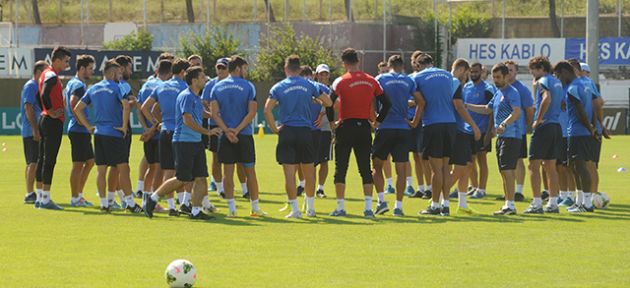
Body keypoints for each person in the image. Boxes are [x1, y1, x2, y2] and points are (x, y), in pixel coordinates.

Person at [144, 66, 222, 220]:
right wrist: (207, 132)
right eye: (201, 77)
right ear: (194, 81)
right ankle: (152, 199)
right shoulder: (186, 96)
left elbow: (200, 113)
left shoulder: (195, 97)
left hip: (196, 142)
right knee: (182, 178)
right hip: (184, 142)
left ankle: (196, 211)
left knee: (200, 177)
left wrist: (216, 115)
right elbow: (187, 120)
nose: (204, 79)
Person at [265, 55, 332, 218]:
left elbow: (267, 109)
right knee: (309, 172)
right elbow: (329, 102)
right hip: (305, 131)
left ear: (286, 69)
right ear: (300, 69)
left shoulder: (279, 87)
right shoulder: (310, 85)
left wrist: (274, 129)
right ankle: (310, 208)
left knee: (289, 173)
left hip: (287, 130)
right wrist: (315, 100)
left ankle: (295, 210)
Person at [328, 48, 391, 218]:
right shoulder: (371, 80)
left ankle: (341, 208)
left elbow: (329, 102)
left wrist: (331, 123)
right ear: (358, 61)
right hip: (364, 127)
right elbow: (386, 103)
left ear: (344, 63)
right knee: (365, 168)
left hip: (345, 126)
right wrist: (378, 122)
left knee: (341, 168)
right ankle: (368, 208)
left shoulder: (340, 81)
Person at [73, 60, 142, 213]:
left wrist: (89, 126)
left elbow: (77, 108)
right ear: (111, 73)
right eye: (118, 73)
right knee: (123, 168)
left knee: (101, 170)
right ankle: (130, 203)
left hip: (99, 134)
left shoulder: (93, 88)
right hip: (114, 133)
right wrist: (124, 126)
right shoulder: (117, 87)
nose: (120, 76)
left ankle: (104, 203)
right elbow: (125, 106)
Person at [210, 56, 265, 217]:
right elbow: (252, 112)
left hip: (225, 135)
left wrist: (227, 131)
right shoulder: (248, 86)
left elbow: (214, 114)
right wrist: (238, 130)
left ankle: (232, 209)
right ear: (238, 69)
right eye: (245, 68)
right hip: (244, 135)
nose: (246, 72)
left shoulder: (217, 87)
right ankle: (255, 208)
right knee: (250, 172)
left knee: (228, 172)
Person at [467, 63, 522, 215]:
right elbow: (487, 109)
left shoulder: (512, 92)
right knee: (503, 171)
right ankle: (507, 204)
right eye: (494, 77)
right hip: (501, 137)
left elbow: (517, 112)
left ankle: (511, 205)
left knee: (508, 170)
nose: (496, 80)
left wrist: (504, 123)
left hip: (511, 136)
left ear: (506, 76)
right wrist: (466, 106)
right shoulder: (498, 93)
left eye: (498, 77)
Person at [372, 55, 423, 217]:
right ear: (402, 66)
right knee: (401, 169)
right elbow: (421, 102)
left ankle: (381, 201)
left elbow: (369, 99)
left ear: (389, 65)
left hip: (385, 127)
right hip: (403, 128)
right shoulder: (408, 81)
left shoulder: (380, 78)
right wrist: (414, 121)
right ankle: (398, 206)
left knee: (377, 166)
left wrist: (374, 119)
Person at [141, 58, 191, 214]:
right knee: (184, 171)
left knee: (167, 170)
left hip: (164, 132)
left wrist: (156, 123)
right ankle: (185, 203)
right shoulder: (186, 87)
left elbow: (145, 107)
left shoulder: (161, 86)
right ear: (184, 72)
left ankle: (171, 206)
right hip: (180, 133)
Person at [413, 53, 457, 216]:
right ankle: (446, 204)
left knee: (435, 169)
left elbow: (420, 101)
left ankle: (435, 204)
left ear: (418, 65)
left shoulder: (417, 77)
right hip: (450, 123)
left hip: (432, 124)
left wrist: (414, 118)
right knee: (446, 167)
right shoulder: (447, 75)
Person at [553, 61, 597, 213]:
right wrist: (593, 125)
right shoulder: (583, 84)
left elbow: (580, 111)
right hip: (580, 131)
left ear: (565, 72)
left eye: (558, 75)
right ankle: (580, 201)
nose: (558, 79)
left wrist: (589, 127)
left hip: (578, 132)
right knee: (573, 165)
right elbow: (592, 107)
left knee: (580, 166)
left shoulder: (572, 88)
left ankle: (587, 204)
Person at [524, 56, 563, 214]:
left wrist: (537, 119)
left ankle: (536, 203)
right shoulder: (557, 81)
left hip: (544, 126)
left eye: (533, 69)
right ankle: (553, 203)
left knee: (533, 165)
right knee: (550, 167)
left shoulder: (543, 81)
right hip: (555, 126)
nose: (531, 73)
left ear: (541, 68)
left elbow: (546, 98)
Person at [36, 46, 71, 210]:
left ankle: (40, 197)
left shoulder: (45, 73)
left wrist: (44, 110)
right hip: (51, 121)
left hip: (45, 120)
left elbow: (38, 96)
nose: (67, 64)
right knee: (49, 160)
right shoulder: (51, 75)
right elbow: (43, 94)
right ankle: (45, 199)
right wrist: (50, 110)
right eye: (65, 61)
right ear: (56, 60)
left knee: (43, 158)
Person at [137, 59, 173, 214]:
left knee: (151, 168)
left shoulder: (146, 84)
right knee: (158, 169)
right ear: (171, 73)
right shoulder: (163, 86)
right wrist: (155, 126)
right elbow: (158, 111)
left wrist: (146, 128)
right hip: (157, 134)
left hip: (148, 134)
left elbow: (140, 109)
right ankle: (153, 201)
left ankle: (145, 198)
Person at [447, 58, 481, 214]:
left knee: (467, 166)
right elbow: (459, 107)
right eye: (466, 73)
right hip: (457, 130)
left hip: (458, 129)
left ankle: (462, 204)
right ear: (461, 69)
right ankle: (439, 196)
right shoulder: (454, 82)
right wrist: (474, 126)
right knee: (461, 167)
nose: (467, 77)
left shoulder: (447, 81)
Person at [64, 54, 96, 207]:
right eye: (90, 68)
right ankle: (75, 197)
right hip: (78, 130)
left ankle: (79, 195)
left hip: (79, 129)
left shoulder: (72, 83)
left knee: (90, 162)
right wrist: (81, 121)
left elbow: (67, 101)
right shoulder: (79, 85)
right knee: (78, 164)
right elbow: (72, 103)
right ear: (82, 68)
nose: (92, 72)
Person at [462, 62, 495, 199]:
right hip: (468, 129)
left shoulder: (487, 88)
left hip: (482, 129)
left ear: (481, 72)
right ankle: (474, 186)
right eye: (472, 72)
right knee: (469, 160)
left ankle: (482, 189)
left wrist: (490, 130)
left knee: (482, 160)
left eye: (476, 72)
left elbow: (491, 110)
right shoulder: (466, 87)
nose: (474, 74)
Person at [504, 61, 534, 202]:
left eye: (511, 70)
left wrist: (526, 124)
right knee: (505, 161)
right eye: (507, 70)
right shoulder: (501, 88)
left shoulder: (521, 89)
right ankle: (508, 191)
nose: (509, 72)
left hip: (517, 131)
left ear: (516, 72)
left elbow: (529, 109)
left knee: (518, 159)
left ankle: (519, 191)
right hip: (504, 131)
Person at [201, 57, 230, 198]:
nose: (220, 70)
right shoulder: (210, 84)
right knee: (216, 157)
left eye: (223, 67)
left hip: (231, 125)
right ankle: (219, 188)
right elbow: (204, 101)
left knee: (232, 159)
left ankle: (240, 188)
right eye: (219, 67)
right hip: (215, 125)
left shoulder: (233, 84)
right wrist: (212, 113)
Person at [21, 61, 48, 205]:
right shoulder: (31, 86)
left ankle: (31, 192)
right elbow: (28, 107)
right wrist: (35, 129)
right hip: (31, 130)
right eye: (45, 71)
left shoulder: (35, 86)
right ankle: (30, 193)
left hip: (32, 129)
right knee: (34, 162)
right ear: (38, 72)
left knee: (32, 161)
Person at [407, 50, 432, 199]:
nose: (416, 64)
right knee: (416, 156)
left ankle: (429, 187)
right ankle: (421, 187)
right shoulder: (410, 79)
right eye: (415, 61)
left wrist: (414, 102)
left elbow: (425, 99)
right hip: (411, 122)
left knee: (424, 156)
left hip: (423, 120)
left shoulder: (426, 79)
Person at [314, 64, 334, 198]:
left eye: (325, 74)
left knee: (324, 160)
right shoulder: (311, 88)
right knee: (309, 160)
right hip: (312, 128)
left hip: (326, 128)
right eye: (321, 74)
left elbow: (334, 108)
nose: (323, 76)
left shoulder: (333, 91)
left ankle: (320, 188)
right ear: (316, 75)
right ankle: (304, 185)